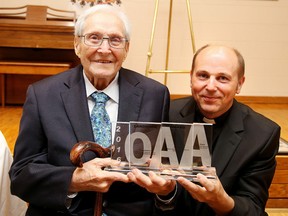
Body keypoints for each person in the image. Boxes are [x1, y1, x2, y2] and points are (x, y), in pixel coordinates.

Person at [9, 4, 173, 216]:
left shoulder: (156, 95)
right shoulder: (42, 95)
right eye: (94, 38)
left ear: (127, 49)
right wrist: (73, 181)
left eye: (115, 40)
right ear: (77, 44)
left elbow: (165, 172)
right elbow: (21, 175)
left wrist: (165, 188)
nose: (104, 49)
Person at [163, 44, 280, 215]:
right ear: (191, 78)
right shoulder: (165, 114)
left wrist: (221, 200)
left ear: (239, 84)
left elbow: (254, 209)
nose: (211, 86)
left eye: (222, 78)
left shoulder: (262, 135)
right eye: (203, 76)